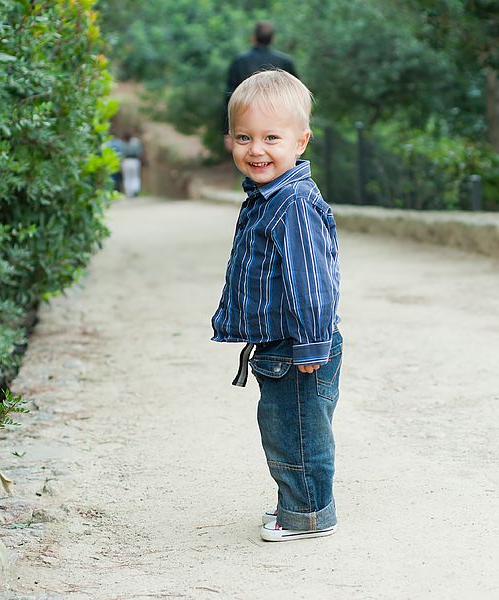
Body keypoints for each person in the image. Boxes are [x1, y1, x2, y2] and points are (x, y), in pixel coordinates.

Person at [211, 70, 342, 542]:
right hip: (279, 344)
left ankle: (309, 514)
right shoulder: (266, 199)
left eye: (271, 138)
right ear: (229, 139)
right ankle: (298, 502)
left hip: (298, 344)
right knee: (283, 425)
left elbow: (312, 282)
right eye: (244, 137)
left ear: (301, 141)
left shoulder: (292, 204)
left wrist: (311, 343)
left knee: (300, 430)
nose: (256, 150)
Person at [222, 21, 298, 152]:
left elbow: (229, 97)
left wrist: (228, 131)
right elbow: (296, 98)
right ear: (272, 39)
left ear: (254, 38)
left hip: (246, 123)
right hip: (279, 125)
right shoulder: (286, 62)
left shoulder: (239, 61)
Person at [120, 130, 144, 198]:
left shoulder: (123, 143)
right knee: (135, 177)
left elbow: (121, 154)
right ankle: (135, 191)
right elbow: (140, 152)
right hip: (134, 161)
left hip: (126, 161)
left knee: (127, 178)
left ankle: (129, 193)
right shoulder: (136, 142)